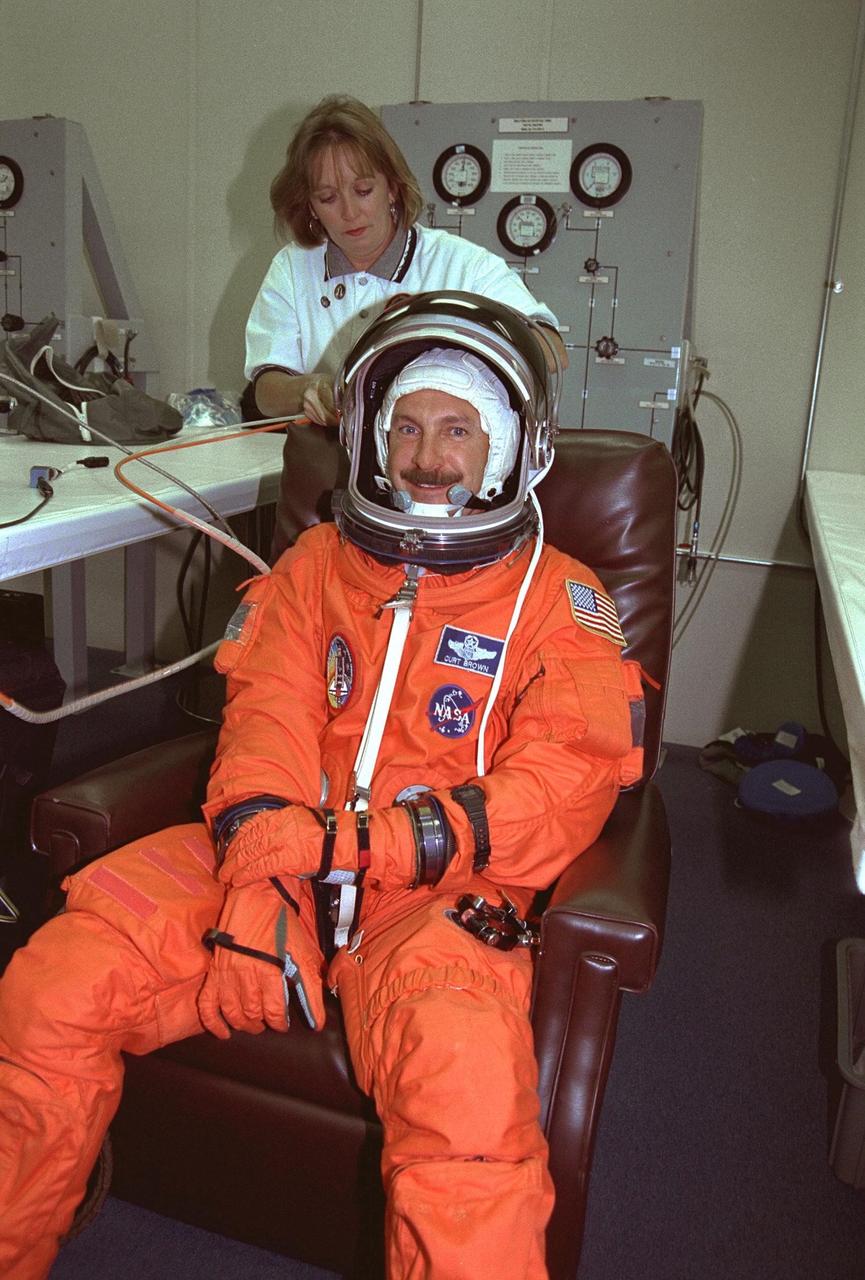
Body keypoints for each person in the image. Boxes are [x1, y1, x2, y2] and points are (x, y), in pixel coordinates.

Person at [0, 293, 643, 1280]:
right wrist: (260, 879)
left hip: (435, 899)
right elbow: (265, 721)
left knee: (467, 1124)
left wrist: (361, 845)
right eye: (408, 427)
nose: (429, 456)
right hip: (276, 851)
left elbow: (562, 788)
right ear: (375, 444)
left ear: (512, 449)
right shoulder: (314, 565)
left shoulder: (562, 599)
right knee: (49, 989)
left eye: (459, 429)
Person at [245, 94, 566, 426]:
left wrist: (450, 352)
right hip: (327, 450)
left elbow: (552, 350)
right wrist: (309, 389)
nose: (349, 212)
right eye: (328, 198)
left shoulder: (462, 265)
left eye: (363, 191)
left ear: (392, 187)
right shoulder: (293, 268)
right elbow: (266, 391)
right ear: (310, 206)